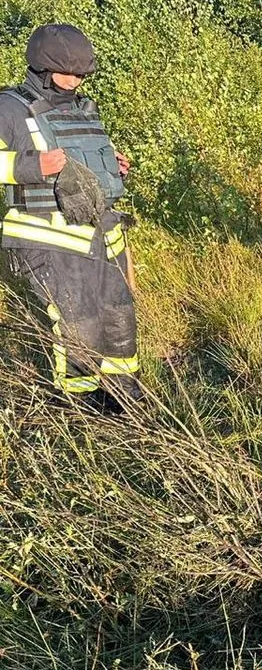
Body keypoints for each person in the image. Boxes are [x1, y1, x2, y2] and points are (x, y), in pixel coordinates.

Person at [0, 23, 142, 411]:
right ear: (43, 67)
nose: (76, 80)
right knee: (78, 323)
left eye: (82, 74)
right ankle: (77, 410)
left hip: (101, 235)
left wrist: (110, 167)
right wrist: (31, 166)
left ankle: (122, 400)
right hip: (47, 237)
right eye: (70, 72)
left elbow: (80, 159)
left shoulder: (84, 108)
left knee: (118, 318)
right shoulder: (9, 106)